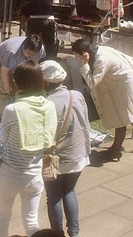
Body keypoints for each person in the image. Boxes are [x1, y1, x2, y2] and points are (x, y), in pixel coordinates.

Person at [0, 60, 57, 237]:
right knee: (31, 222)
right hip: (35, 174)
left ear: (17, 81)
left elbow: (3, 139)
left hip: (10, 173)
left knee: (2, 218)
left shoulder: (12, 109)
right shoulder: (49, 106)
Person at [70, 39, 133, 162]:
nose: (76, 59)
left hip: (124, 89)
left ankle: (116, 150)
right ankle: (116, 148)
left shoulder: (102, 60)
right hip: (119, 87)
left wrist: (84, 64)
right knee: (121, 119)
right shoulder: (100, 50)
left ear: (84, 54)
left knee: (121, 119)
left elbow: (92, 82)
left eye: (77, 56)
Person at [41, 61, 90, 237]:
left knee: (53, 196)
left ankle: (57, 234)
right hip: (78, 154)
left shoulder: (46, 103)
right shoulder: (77, 95)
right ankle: (74, 233)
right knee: (69, 190)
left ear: (45, 82)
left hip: (55, 159)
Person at [0, 34, 46, 112]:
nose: (30, 56)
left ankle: (20, 111)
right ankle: (4, 115)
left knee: (20, 87)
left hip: (20, 63)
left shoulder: (40, 50)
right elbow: (4, 71)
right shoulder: (12, 51)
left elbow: (34, 66)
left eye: (33, 54)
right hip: (0, 62)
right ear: (24, 46)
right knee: (3, 90)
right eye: (28, 53)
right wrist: (7, 86)